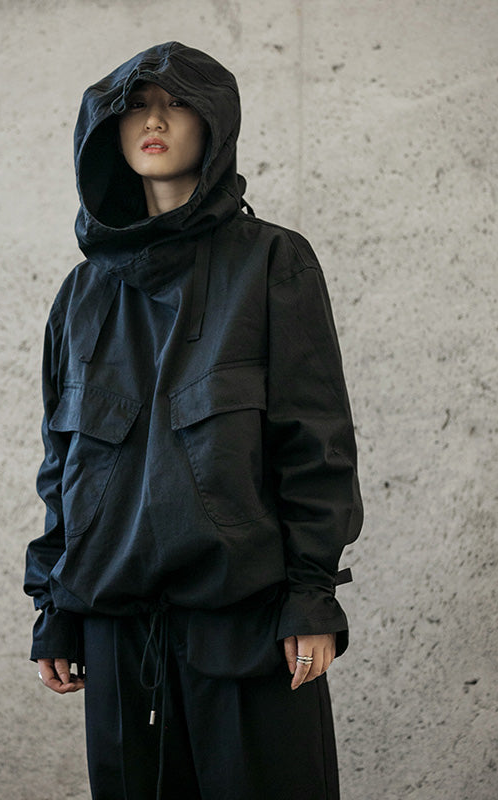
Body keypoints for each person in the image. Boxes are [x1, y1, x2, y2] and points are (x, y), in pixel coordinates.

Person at [24, 41, 363, 800]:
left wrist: (311, 596)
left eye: (176, 104)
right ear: (105, 132)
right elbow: (63, 463)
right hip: (115, 632)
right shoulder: (80, 295)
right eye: (136, 107)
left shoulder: (273, 263)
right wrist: (55, 608)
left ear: (213, 126)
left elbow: (316, 441)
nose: (154, 120)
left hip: (246, 626)